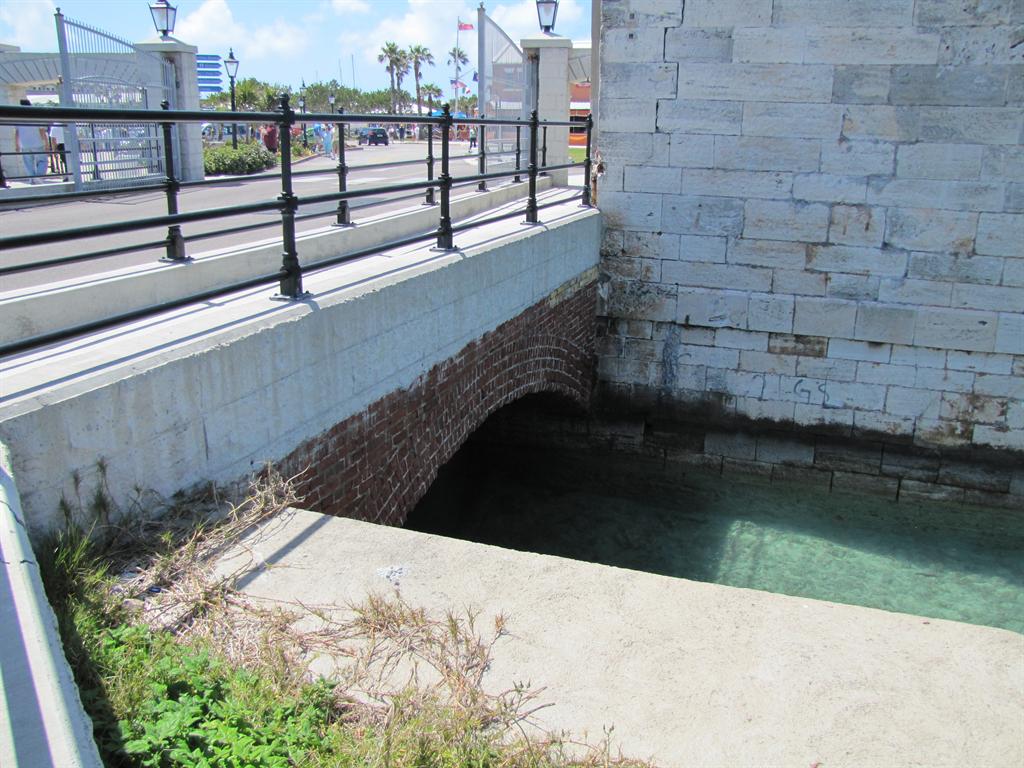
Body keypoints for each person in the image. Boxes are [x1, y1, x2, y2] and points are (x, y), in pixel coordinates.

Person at [14, 99, 48, 184]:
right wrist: (46, 142)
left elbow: (17, 133)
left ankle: (32, 179)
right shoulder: (35, 115)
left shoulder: (18, 117)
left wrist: (17, 145)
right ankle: (39, 176)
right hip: (37, 142)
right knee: (43, 160)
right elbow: (42, 131)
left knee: (28, 163)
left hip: (24, 144)